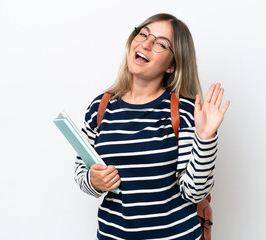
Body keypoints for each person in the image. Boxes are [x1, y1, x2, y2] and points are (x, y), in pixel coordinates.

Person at [74, 13, 230, 239]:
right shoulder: (100, 107)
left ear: (171, 65)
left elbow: (193, 192)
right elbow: (81, 167)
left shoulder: (184, 112)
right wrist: (93, 181)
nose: (146, 43)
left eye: (160, 43)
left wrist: (206, 137)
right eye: (143, 34)